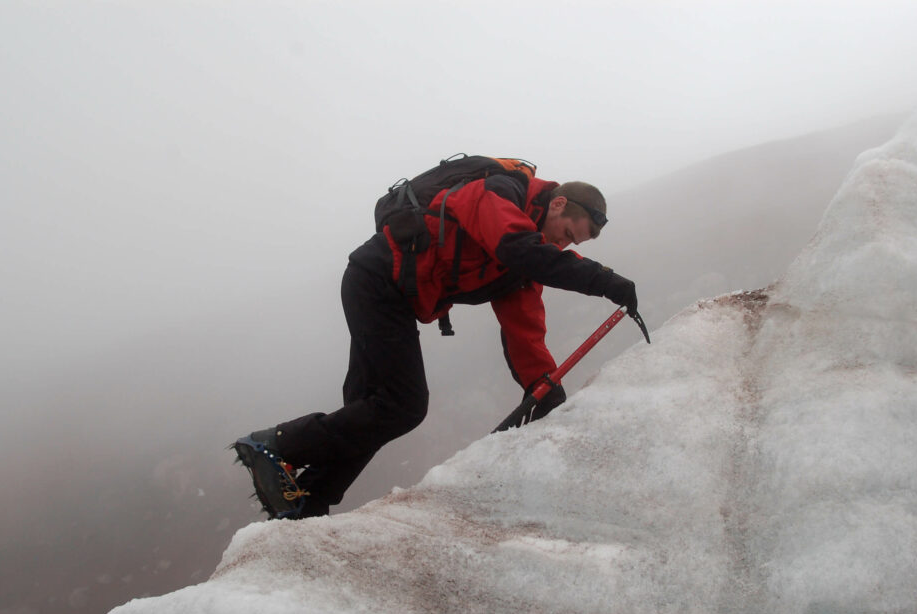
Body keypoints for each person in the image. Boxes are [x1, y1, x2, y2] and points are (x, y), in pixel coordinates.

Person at [232, 165, 639, 520]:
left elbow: (525, 334)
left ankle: (309, 503)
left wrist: (547, 393)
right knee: (403, 405)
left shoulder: (524, 263)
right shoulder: (498, 193)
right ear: (557, 204)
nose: (563, 246)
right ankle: (276, 445)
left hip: (392, 296)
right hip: (377, 280)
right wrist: (603, 280)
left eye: (573, 245)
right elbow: (518, 246)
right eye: (567, 234)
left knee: (368, 413)